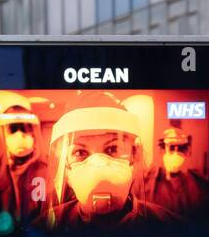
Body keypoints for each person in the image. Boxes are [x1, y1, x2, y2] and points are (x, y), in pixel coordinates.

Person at [46, 95, 174, 229]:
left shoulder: (169, 227)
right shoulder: (46, 227)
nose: (98, 165)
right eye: (80, 152)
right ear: (65, 166)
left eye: (113, 148)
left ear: (134, 155)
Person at [0, 101, 51, 235]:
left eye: (25, 129)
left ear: (33, 133)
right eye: (13, 129)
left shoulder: (48, 170)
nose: (20, 135)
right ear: (3, 132)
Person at [140, 127, 209, 217]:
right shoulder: (148, 183)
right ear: (162, 150)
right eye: (171, 148)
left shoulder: (197, 183)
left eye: (181, 149)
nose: (176, 154)